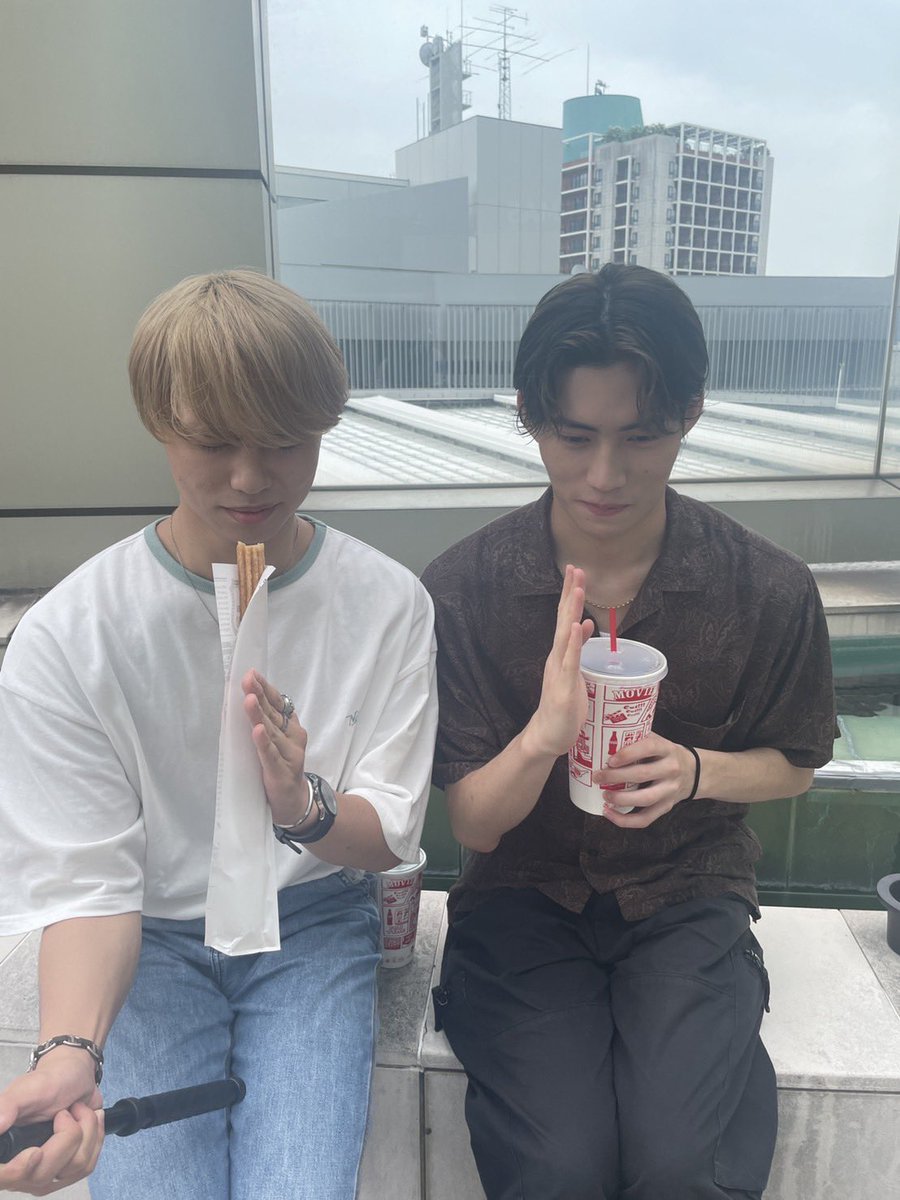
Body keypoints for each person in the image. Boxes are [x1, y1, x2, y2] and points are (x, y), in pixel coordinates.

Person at [0, 270, 438, 1199]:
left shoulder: (388, 603)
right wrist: (70, 1049)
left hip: (314, 919)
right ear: (159, 422)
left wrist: (302, 805)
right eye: (212, 441)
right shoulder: (70, 636)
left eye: (284, 440)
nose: (249, 477)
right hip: (150, 935)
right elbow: (89, 882)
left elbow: (389, 835)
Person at [420, 263, 836, 1200]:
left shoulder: (766, 587)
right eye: (574, 437)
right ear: (529, 416)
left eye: (641, 437)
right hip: (521, 896)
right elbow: (475, 825)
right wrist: (543, 736)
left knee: (681, 1162)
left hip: (688, 890)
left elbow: (797, 762)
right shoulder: (463, 590)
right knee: (556, 1166)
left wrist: (694, 769)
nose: (604, 476)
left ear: (690, 413)